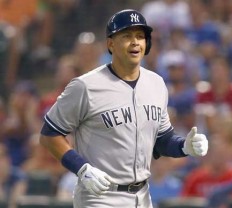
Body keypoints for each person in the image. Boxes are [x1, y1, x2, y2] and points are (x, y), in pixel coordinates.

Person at [39, 9, 208, 208]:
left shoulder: (156, 84)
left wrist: (184, 146)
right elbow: (49, 134)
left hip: (142, 196)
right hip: (99, 196)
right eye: (126, 36)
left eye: (140, 36)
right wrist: (81, 168)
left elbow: (161, 140)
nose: (135, 42)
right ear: (111, 44)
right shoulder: (85, 86)